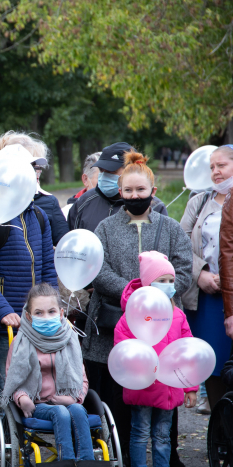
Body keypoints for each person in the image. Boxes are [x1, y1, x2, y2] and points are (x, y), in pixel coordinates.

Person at [81, 150, 192, 467]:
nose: (134, 196)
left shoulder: (169, 228)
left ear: (152, 192)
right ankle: (124, 453)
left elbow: (184, 268)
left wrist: (159, 295)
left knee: (164, 391)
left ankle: (167, 455)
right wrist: (132, 293)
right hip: (116, 323)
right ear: (120, 192)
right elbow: (98, 270)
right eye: (128, 191)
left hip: (164, 324)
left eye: (140, 191)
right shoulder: (106, 227)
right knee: (121, 392)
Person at [0, 147, 57, 467]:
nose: (33, 176)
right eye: (27, 169)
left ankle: (16, 456)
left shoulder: (38, 215)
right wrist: (3, 309)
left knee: (28, 395)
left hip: (34, 325)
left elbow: (47, 271)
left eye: (35, 170)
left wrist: (50, 310)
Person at [114, 251, 197, 467]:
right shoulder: (132, 315)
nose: (169, 285)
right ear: (149, 284)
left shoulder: (178, 314)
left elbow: (188, 352)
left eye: (171, 280)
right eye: (162, 280)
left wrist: (191, 387)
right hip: (143, 387)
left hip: (168, 388)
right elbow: (123, 349)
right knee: (140, 434)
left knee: (163, 437)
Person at [3, 283, 93, 462]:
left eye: (51, 312)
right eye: (39, 313)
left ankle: (86, 461)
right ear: (28, 316)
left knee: (76, 408)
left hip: (67, 400)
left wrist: (74, 398)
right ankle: (65, 461)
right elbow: (12, 379)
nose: (46, 317)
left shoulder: (71, 339)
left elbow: (82, 379)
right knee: (60, 412)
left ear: (61, 313)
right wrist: (22, 398)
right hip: (37, 404)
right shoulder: (21, 344)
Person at [181, 144, 233, 412]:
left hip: (231, 294)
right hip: (207, 300)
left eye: (221, 165)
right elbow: (180, 245)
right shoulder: (199, 202)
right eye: (212, 167)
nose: (215, 171)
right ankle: (219, 434)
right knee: (211, 367)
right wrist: (199, 273)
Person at [0, 131, 68, 246]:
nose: (36, 172)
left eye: (37, 167)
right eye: (30, 166)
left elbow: (63, 246)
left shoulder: (48, 202)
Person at [68, 142, 168, 232]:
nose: (105, 175)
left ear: (130, 169)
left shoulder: (155, 206)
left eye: (111, 171)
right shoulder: (84, 202)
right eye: (102, 171)